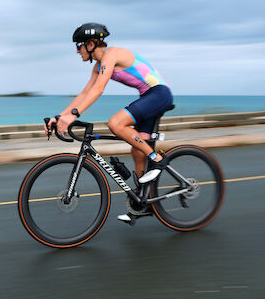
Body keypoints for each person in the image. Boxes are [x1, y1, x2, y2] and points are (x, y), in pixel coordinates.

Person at [44, 22, 174, 222]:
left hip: (158, 94)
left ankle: (157, 159)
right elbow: (85, 92)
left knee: (115, 123)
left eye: (78, 46)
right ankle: (145, 204)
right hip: (148, 96)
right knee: (137, 151)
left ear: (91, 43)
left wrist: (73, 115)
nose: (77, 51)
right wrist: (60, 116)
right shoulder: (98, 66)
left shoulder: (111, 54)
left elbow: (98, 89)